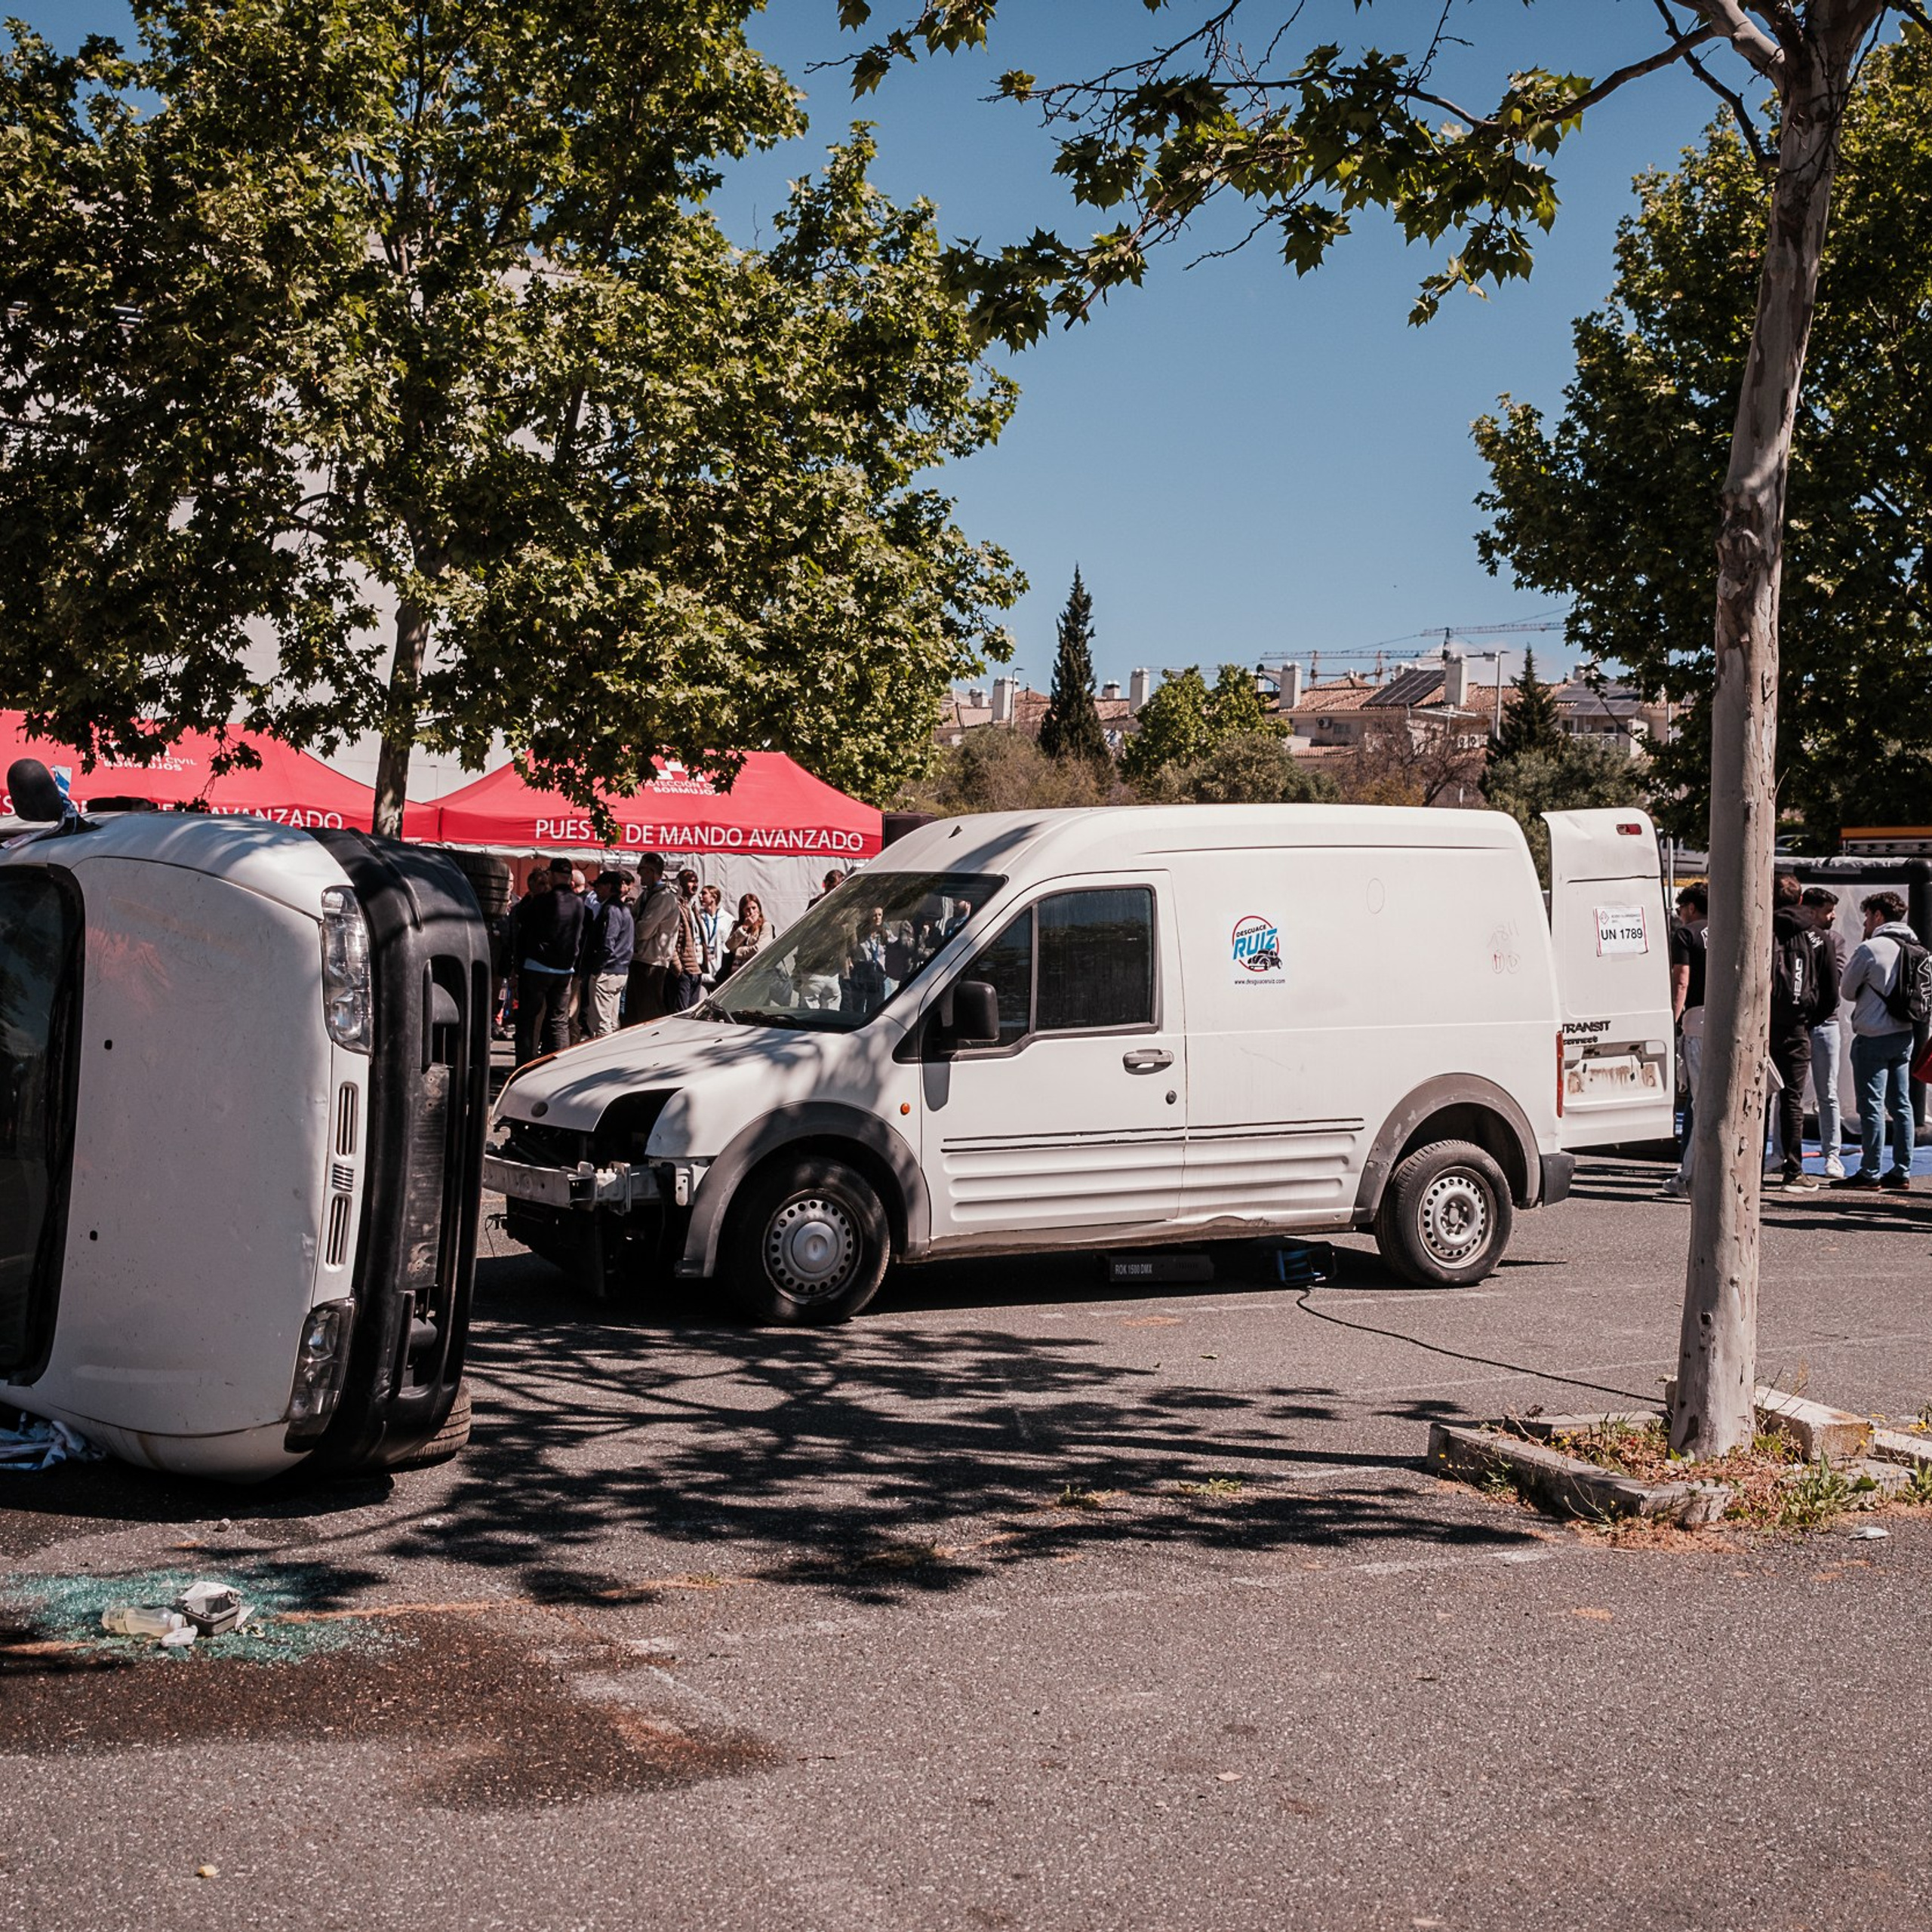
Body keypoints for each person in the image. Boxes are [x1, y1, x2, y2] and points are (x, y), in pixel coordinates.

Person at [1832, 890, 1920, 1190]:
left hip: (1872, 1034)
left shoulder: (1871, 949)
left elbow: (1846, 990)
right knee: (1902, 1105)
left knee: (1871, 1106)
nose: (1866, 923)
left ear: (1879, 916)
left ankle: (1869, 1172)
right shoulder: (1917, 948)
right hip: (1905, 1034)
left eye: (1868, 917)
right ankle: (1902, 1170)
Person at [1766, 873, 1836, 1191]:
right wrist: (1808, 1021)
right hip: (1798, 1028)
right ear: (1800, 899)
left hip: (1762, 1026)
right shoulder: (1819, 938)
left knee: (1756, 1097)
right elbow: (1830, 993)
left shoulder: (1761, 929)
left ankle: (1750, 1166)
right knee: (1792, 1099)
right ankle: (1793, 1171)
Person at [1658, 883, 1708, 1200]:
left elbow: (1682, 981)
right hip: (1731, 1019)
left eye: (1680, 910)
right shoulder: (1731, 927)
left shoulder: (1686, 935)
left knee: (1699, 1101)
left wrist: (1672, 1020)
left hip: (1698, 1021)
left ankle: (1689, 1174)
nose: (1679, 916)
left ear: (1690, 908)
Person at [513, 860, 586, 1065]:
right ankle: (556, 1067)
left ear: (552, 875)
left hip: (537, 966)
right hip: (564, 970)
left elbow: (522, 917)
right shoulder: (579, 903)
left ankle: (524, 1067)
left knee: (528, 1020)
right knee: (559, 1021)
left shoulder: (544, 900)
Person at [1801, 886, 1849, 1178]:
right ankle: (1783, 1152)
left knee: (1827, 1092)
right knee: (1787, 1092)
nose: (1832, 917)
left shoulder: (1834, 940)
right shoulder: (1793, 936)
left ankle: (1833, 1154)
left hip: (1824, 1022)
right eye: (1827, 911)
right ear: (1811, 911)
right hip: (1802, 1022)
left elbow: (1837, 977)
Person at [579, 870, 634, 1038]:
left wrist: (597, 970)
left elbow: (608, 942)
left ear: (609, 887)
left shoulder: (612, 909)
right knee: (611, 1022)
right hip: (619, 970)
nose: (595, 891)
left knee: (600, 1024)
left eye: (599, 887)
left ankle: (601, 1061)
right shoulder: (622, 909)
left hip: (608, 971)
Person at [626, 853, 679, 1025]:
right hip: (639, 960)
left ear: (651, 870)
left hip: (652, 963)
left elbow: (643, 931)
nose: (639, 873)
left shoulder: (664, 897)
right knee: (633, 1016)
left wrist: (633, 922)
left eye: (641, 869)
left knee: (647, 1016)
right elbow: (632, 920)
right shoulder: (647, 895)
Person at [670, 868, 706, 1011]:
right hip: (685, 970)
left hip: (696, 969)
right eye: (691, 881)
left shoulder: (693, 907)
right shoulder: (676, 907)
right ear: (681, 884)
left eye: (696, 881)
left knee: (692, 1015)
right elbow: (670, 940)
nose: (695, 885)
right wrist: (679, 969)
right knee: (681, 1015)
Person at [722, 892, 768, 979]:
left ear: (759, 909)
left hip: (755, 974)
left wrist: (738, 951)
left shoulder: (765, 926)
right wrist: (745, 927)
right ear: (742, 911)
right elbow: (729, 945)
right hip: (737, 974)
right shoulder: (738, 926)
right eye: (747, 909)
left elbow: (758, 949)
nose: (751, 912)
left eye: (754, 908)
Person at [697, 883, 726, 988]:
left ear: (714, 897)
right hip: (701, 972)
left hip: (720, 972)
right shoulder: (697, 918)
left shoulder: (727, 919)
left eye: (704, 893)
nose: (700, 896)